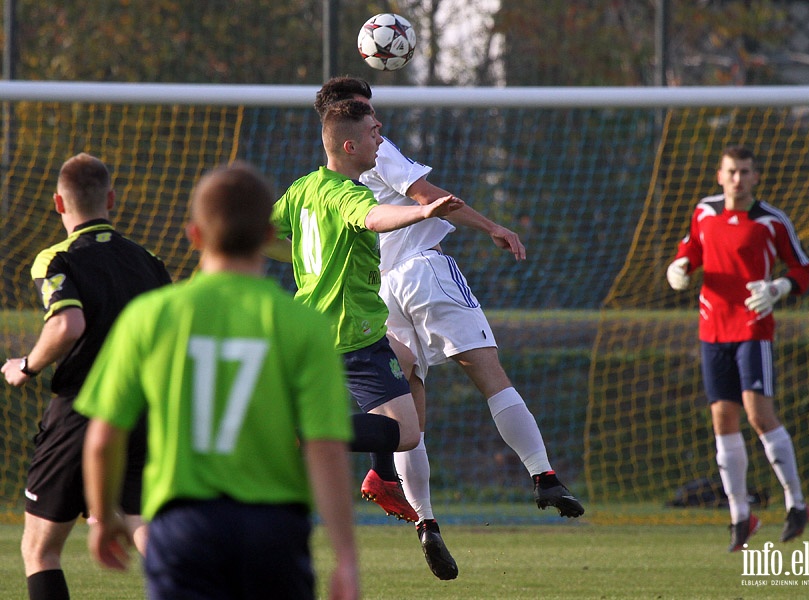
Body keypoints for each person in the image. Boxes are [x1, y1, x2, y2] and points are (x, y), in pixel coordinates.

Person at [314, 77, 585, 580]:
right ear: (352, 122)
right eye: (371, 115)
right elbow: (428, 194)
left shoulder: (321, 182)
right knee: (489, 374)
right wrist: (494, 227)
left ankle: (426, 521)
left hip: (379, 294)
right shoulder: (379, 150)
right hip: (423, 271)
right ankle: (543, 475)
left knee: (407, 409)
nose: (380, 126)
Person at [74, 162, 360, 600]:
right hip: (273, 530)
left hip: (184, 526)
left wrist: (103, 515)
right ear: (269, 236)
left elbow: (102, 438)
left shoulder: (151, 316)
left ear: (194, 236)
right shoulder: (304, 326)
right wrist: (345, 558)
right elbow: (325, 448)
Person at [267, 99, 464, 529]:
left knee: (408, 360)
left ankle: (383, 476)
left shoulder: (303, 188)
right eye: (374, 132)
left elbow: (264, 234)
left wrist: (299, 254)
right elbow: (374, 218)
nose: (381, 137)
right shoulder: (349, 194)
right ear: (351, 145)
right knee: (407, 434)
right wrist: (423, 211)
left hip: (314, 324)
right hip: (351, 330)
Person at [1, 153, 172, 600]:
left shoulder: (55, 259)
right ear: (111, 199)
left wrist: (27, 366)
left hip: (80, 412)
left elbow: (66, 324)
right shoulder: (148, 261)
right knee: (150, 539)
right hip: (140, 412)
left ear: (59, 202)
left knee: (40, 550)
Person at [666, 145, 809, 552]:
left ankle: (797, 504)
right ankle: (739, 516)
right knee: (722, 419)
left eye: (744, 171)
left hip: (752, 327)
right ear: (719, 175)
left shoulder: (771, 221)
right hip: (711, 328)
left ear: (755, 177)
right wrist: (679, 267)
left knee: (758, 414)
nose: (737, 178)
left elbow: (802, 266)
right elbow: (690, 250)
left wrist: (780, 287)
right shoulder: (704, 212)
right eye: (731, 171)